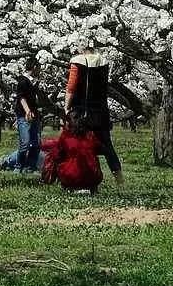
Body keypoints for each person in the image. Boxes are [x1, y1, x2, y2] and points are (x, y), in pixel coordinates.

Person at [65, 40, 124, 186]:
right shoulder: (103, 61)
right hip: (100, 111)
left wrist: (66, 107)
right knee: (107, 146)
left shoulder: (77, 62)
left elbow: (71, 87)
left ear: (82, 46)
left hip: (81, 111)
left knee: (78, 145)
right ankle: (119, 179)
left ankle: (80, 179)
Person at [42, 108, 103, 193]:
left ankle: (55, 182)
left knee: (52, 156)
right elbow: (99, 149)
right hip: (93, 178)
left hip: (71, 177)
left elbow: (57, 155)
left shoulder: (66, 135)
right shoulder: (91, 134)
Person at [13, 57, 43, 172]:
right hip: (24, 115)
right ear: (35, 67)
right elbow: (21, 97)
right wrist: (27, 111)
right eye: (39, 68)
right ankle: (18, 166)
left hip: (34, 115)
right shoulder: (23, 80)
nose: (40, 70)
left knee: (35, 143)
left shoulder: (34, 82)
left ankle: (30, 167)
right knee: (25, 142)